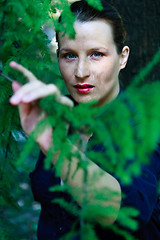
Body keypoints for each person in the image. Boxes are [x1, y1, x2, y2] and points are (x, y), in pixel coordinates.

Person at [9, 0, 160, 239]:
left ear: (123, 57)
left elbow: (124, 209)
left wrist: (55, 144)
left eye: (96, 54)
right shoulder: (59, 115)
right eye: (69, 56)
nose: (81, 72)